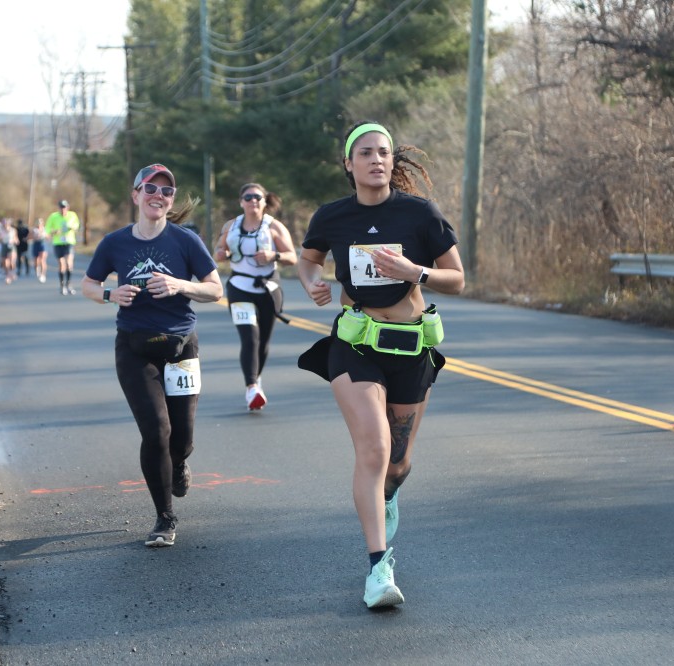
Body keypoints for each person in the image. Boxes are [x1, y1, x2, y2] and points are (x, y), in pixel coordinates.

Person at [296, 121, 465, 609]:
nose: (376, 159)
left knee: (398, 462)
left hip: (410, 347)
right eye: (366, 152)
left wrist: (417, 272)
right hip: (357, 344)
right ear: (349, 164)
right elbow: (308, 260)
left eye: (384, 152)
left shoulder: (419, 213)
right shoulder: (332, 216)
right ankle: (378, 569)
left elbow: (457, 279)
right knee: (374, 448)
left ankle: (388, 494)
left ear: (393, 160)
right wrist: (311, 282)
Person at [81, 163, 222, 548]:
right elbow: (89, 284)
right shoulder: (115, 243)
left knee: (182, 439)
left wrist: (179, 285)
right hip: (134, 347)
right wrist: (110, 294)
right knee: (157, 431)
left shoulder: (185, 241)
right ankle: (164, 517)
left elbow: (215, 289)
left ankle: (179, 463)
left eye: (166, 191)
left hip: (181, 346)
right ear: (135, 195)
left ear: (171, 201)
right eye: (150, 188)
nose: (158, 196)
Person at [213, 183, 298, 411]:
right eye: (248, 197)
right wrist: (222, 253)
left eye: (257, 197)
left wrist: (273, 255)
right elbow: (218, 251)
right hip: (239, 287)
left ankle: (255, 379)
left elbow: (292, 257)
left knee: (263, 341)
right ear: (241, 202)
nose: (253, 201)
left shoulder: (274, 226)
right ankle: (251, 387)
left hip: (268, 288)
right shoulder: (231, 226)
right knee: (250, 337)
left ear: (264, 201)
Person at [46, 199, 80, 294]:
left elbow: (77, 225)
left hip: (69, 242)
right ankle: (62, 285)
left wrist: (72, 227)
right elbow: (47, 228)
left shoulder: (72, 215)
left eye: (64, 207)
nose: (63, 209)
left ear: (67, 207)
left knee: (69, 263)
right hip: (58, 243)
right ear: (58, 208)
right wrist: (53, 231)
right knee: (61, 264)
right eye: (61, 207)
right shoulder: (53, 216)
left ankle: (69, 284)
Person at [31, 218, 49, 283]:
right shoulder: (34, 230)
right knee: (36, 260)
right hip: (36, 244)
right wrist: (35, 236)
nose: (39, 224)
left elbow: (48, 237)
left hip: (43, 244)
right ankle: (37, 269)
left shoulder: (45, 229)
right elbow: (30, 237)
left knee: (42, 260)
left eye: (40, 222)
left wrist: (45, 236)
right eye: (38, 222)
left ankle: (43, 274)